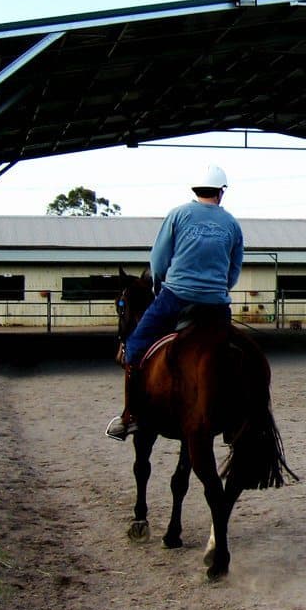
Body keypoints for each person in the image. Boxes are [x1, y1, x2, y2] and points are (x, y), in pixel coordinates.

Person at [106, 165, 244, 441]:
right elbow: (234, 269)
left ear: (195, 190)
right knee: (233, 354)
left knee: (133, 347)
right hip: (216, 305)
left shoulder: (178, 215)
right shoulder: (232, 223)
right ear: (221, 192)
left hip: (176, 297)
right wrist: (218, 290)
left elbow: (158, 261)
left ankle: (130, 416)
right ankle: (236, 417)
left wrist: (158, 286)